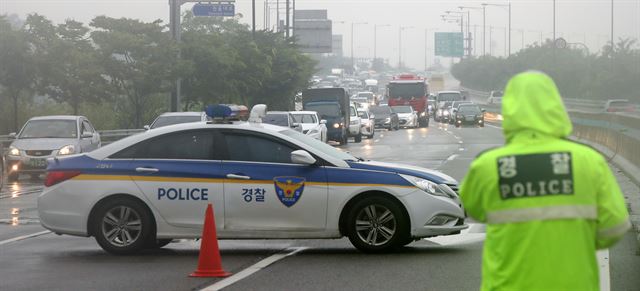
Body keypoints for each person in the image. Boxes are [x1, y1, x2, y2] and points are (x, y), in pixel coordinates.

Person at [460, 71, 631, 291]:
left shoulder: (488, 165)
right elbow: (615, 226)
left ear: (509, 108)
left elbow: (470, 208)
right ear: (556, 106)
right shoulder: (589, 161)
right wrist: (578, 243)